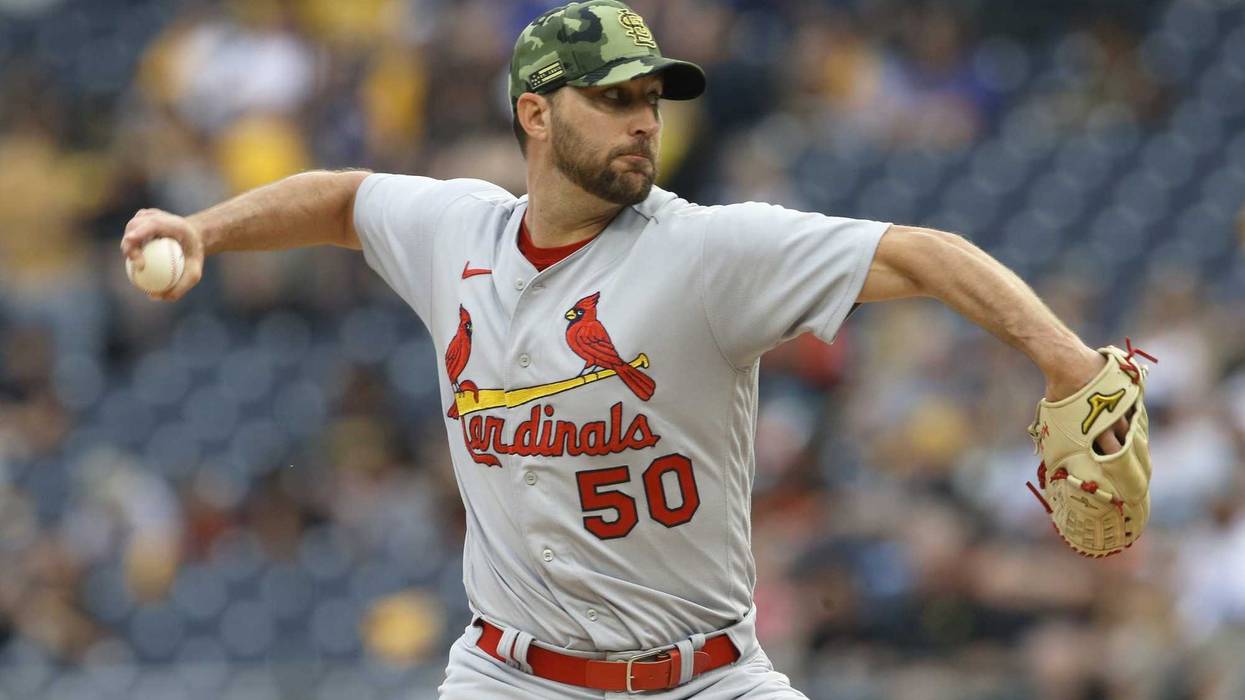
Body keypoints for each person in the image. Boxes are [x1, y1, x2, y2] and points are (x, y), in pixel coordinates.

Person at [120, 1, 1131, 697]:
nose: (644, 121)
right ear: (535, 112)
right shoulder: (455, 232)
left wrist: (1065, 359)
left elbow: (923, 254)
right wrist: (206, 229)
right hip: (510, 673)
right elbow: (341, 196)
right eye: (613, 98)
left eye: (651, 98)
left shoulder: (705, 249)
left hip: (706, 673)